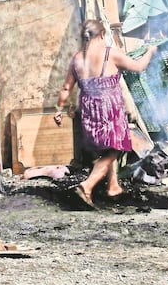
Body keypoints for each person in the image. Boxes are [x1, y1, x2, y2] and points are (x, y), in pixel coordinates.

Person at [54, 20, 156, 208]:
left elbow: (66, 87)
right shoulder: (110, 54)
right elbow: (139, 67)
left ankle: (113, 186)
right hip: (110, 108)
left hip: (88, 109)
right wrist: (150, 52)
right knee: (115, 147)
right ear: (102, 35)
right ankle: (87, 185)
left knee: (105, 148)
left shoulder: (77, 59)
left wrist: (59, 109)